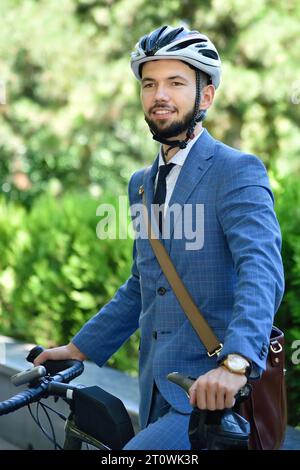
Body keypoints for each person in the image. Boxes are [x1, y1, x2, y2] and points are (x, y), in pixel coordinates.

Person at [34, 25, 284, 450]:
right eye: (149, 84)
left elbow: (261, 269)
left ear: (205, 96)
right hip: (155, 390)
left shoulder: (236, 170)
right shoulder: (141, 184)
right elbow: (142, 284)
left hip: (214, 397)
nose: (159, 95)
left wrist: (236, 363)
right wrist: (79, 349)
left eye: (175, 83)